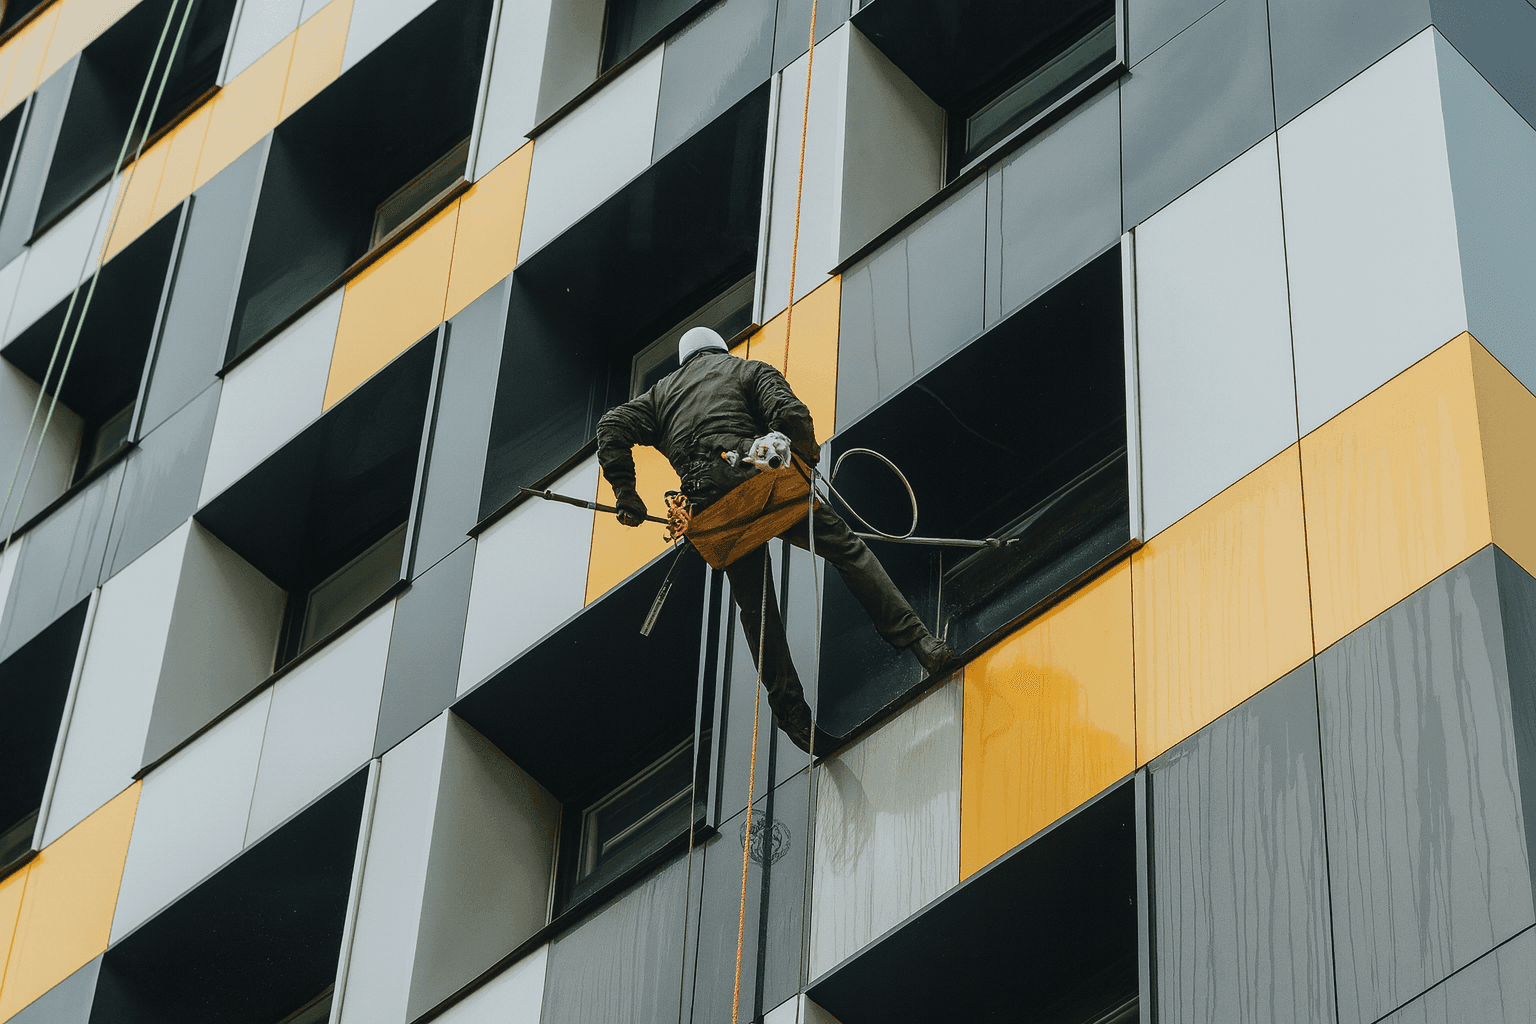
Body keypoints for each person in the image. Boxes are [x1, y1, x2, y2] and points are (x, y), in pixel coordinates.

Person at [595, 326, 958, 755]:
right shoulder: (746, 369)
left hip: (708, 508)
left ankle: (794, 719)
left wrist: (626, 494)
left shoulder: (657, 398)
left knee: (757, 610)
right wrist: (807, 457)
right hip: (760, 480)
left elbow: (611, 424)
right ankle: (920, 642)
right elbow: (790, 415)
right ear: (719, 349)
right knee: (846, 549)